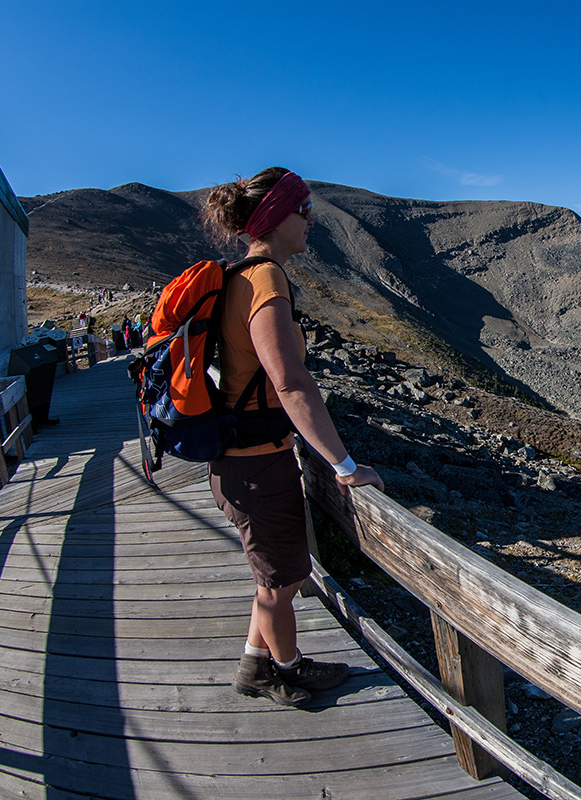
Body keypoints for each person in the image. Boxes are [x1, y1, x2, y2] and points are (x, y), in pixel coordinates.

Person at [201, 167, 385, 707]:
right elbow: (289, 380)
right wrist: (345, 466)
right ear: (275, 218)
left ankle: (255, 663)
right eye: (302, 210)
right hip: (257, 465)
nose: (310, 221)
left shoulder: (241, 277)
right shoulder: (265, 280)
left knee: (272, 575)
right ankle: (285, 670)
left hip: (245, 461)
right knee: (282, 582)